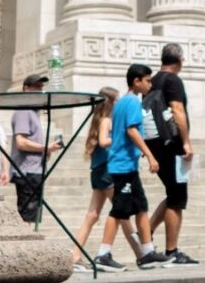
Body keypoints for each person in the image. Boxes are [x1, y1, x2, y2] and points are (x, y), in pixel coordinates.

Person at [92, 64, 171, 272]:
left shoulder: (122, 103)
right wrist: (150, 155)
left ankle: (147, 252)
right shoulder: (133, 102)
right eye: (147, 80)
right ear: (137, 81)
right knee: (119, 210)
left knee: (141, 207)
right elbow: (132, 131)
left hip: (125, 165)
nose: (150, 84)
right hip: (123, 165)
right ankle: (103, 254)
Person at [71, 87, 141, 272]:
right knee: (122, 212)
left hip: (99, 170)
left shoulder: (103, 120)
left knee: (92, 215)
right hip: (107, 171)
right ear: (109, 102)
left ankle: (74, 256)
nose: (119, 104)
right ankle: (142, 255)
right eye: (117, 100)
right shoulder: (106, 121)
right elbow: (103, 142)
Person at [146, 43, 199, 265]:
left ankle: (144, 232)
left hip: (155, 143)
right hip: (172, 143)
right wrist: (186, 142)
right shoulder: (173, 80)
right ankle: (171, 250)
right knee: (177, 198)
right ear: (179, 60)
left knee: (172, 193)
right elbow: (177, 110)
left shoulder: (152, 81)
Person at [10, 74, 62, 223]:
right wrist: (45, 148)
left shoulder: (32, 112)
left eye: (41, 87)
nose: (39, 90)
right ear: (26, 88)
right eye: (36, 86)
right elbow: (21, 142)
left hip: (34, 171)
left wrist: (45, 151)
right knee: (27, 217)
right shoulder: (23, 110)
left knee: (32, 217)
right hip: (27, 172)